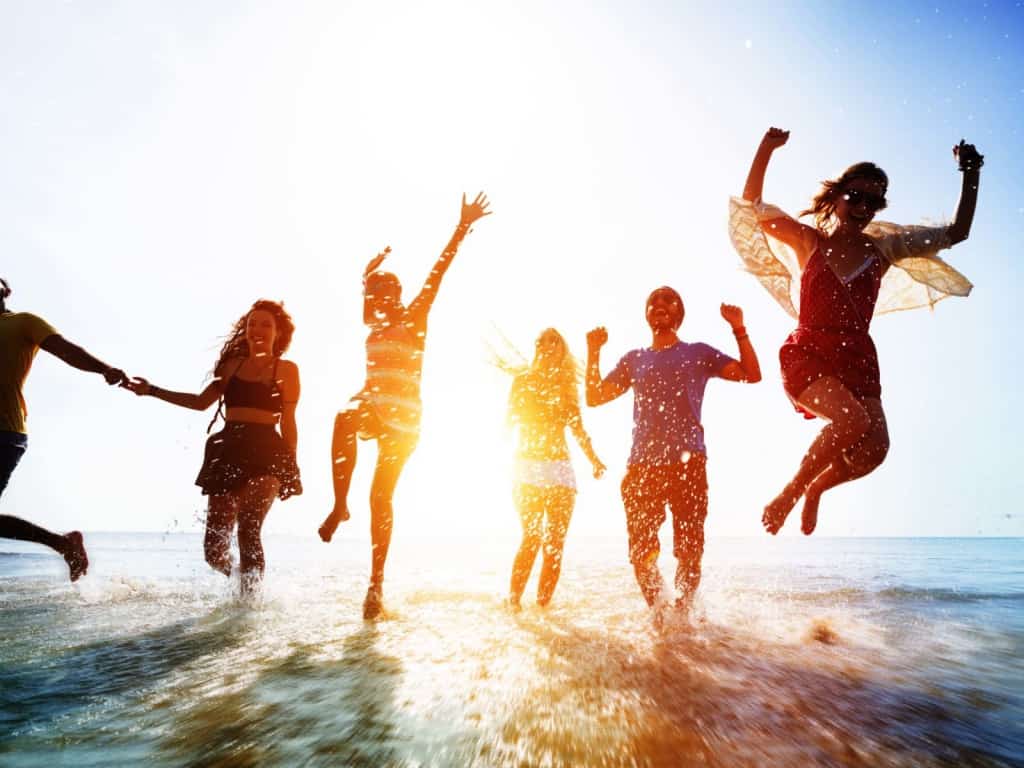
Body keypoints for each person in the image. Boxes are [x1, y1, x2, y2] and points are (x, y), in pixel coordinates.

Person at [730, 127, 982, 535]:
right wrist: (765, 149)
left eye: (874, 200)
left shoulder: (883, 251)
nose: (864, 206)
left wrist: (971, 173)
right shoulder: (808, 241)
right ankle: (790, 494)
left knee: (874, 449)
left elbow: (956, 233)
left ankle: (815, 490)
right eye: (857, 196)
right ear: (837, 196)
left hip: (856, 356)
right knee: (851, 422)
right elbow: (752, 206)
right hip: (809, 350)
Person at [318, 192, 491, 620]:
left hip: (406, 422)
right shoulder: (373, 323)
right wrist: (366, 276)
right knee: (342, 416)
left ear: (399, 296)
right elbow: (367, 298)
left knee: (381, 497)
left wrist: (461, 227)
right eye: (375, 295)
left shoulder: (413, 317)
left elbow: (438, 272)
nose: (380, 300)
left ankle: (375, 585)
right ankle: (340, 505)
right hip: (373, 406)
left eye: (387, 293)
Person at [586, 289, 761, 616]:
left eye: (668, 302)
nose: (659, 306)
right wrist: (593, 351)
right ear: (647, 315)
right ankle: (662, 616)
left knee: (689, 551)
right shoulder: (634, 359)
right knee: (641, 553)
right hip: (642, 467)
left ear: (678, 314)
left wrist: (739, 328)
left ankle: (682, 618)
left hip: (689, 464)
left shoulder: (698, 353)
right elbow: (594, 397)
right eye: (653, 302)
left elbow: (752, 374)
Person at [125, 300, 301, 595]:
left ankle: (250, 604)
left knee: (248, 526)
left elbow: (290, 422)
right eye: (252, 324)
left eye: (266, 325)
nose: (257, 329)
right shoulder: (231, 366)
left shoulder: (286, 370)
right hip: (228, 448)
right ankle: (240, 580)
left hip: (268, 451)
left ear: (278, 333)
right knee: (213, 551)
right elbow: (199, 402)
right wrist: (151, 391)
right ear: (245, 329)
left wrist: (291, 465)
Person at [0, 277, 126, 581]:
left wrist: (104, 368)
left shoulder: (24, 322)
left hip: (5, 432)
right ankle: (63, 543)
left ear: (5, 289)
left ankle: (63, 543)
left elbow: (66, 350)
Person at [503, 328, 606, 610]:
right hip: (525, 468)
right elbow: (507, 423)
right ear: (537, 348)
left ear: (562, 350)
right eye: (543, 342)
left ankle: (543, 610)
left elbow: (578, 429)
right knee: (532, 536)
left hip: (559, 469)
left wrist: (594, 459)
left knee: (555, 543)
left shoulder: (566, 386)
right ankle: (513, 604)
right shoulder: (522, 381)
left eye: (555, 342)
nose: (549, 346)